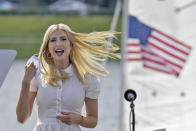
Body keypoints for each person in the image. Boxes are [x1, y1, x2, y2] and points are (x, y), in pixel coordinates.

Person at [16, 24, 120, 131]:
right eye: (53, 40)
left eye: (63, 39)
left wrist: (79, 119)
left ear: (71, 46)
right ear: (48, 49)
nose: (58, 43)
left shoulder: (87, 77)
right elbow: (21, 118)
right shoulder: (37, 75)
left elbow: (93, 120)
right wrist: (25, 81)